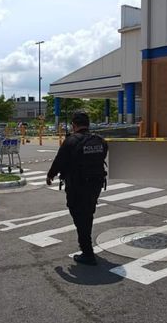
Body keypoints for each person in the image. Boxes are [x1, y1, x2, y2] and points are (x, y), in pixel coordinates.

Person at [46, 112, 108, 266]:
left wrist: (50, 175)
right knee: (88, 212)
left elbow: (59, 161)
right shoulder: (100, 141)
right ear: (88, 124)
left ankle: (87, 252)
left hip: (77, 185)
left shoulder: (71, 141)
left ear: (74, 125)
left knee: (79, 214)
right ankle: (86, 246)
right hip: (96, 184)